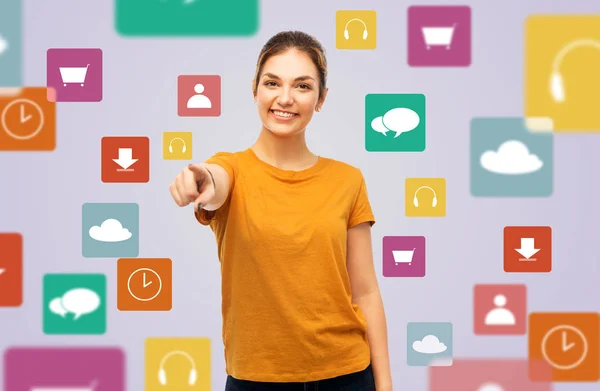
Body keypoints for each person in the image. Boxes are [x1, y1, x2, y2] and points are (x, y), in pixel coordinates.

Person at [169, 30, 393, 391]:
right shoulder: (231, 169)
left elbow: (365, 292)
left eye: (303, 86)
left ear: (321, 98)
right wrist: (201, 179)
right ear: (255, 88)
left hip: (348, 376)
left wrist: (385, 386)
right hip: (256, 381)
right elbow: (215, 182)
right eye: (273, 83)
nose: (285, 98)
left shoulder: (348, 180)